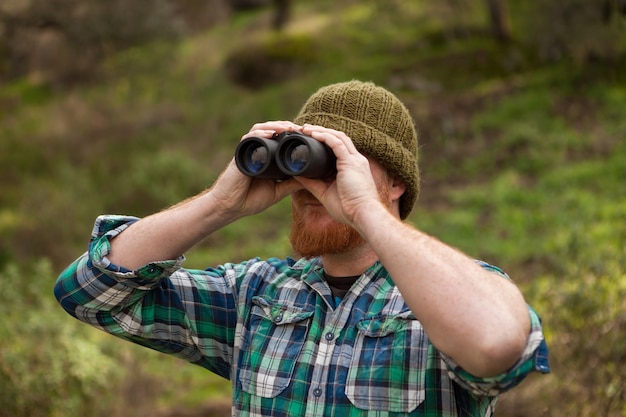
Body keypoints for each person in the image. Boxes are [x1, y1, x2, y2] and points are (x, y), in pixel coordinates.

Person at [55, 80, 550, 416]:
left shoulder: (448, 299)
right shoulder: (256, 295)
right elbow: (88, 292)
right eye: (302, 160)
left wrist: (365, 211)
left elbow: (497, 344)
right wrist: (218, 205)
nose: (314, 183)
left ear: (396, 183)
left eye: (338, 162)